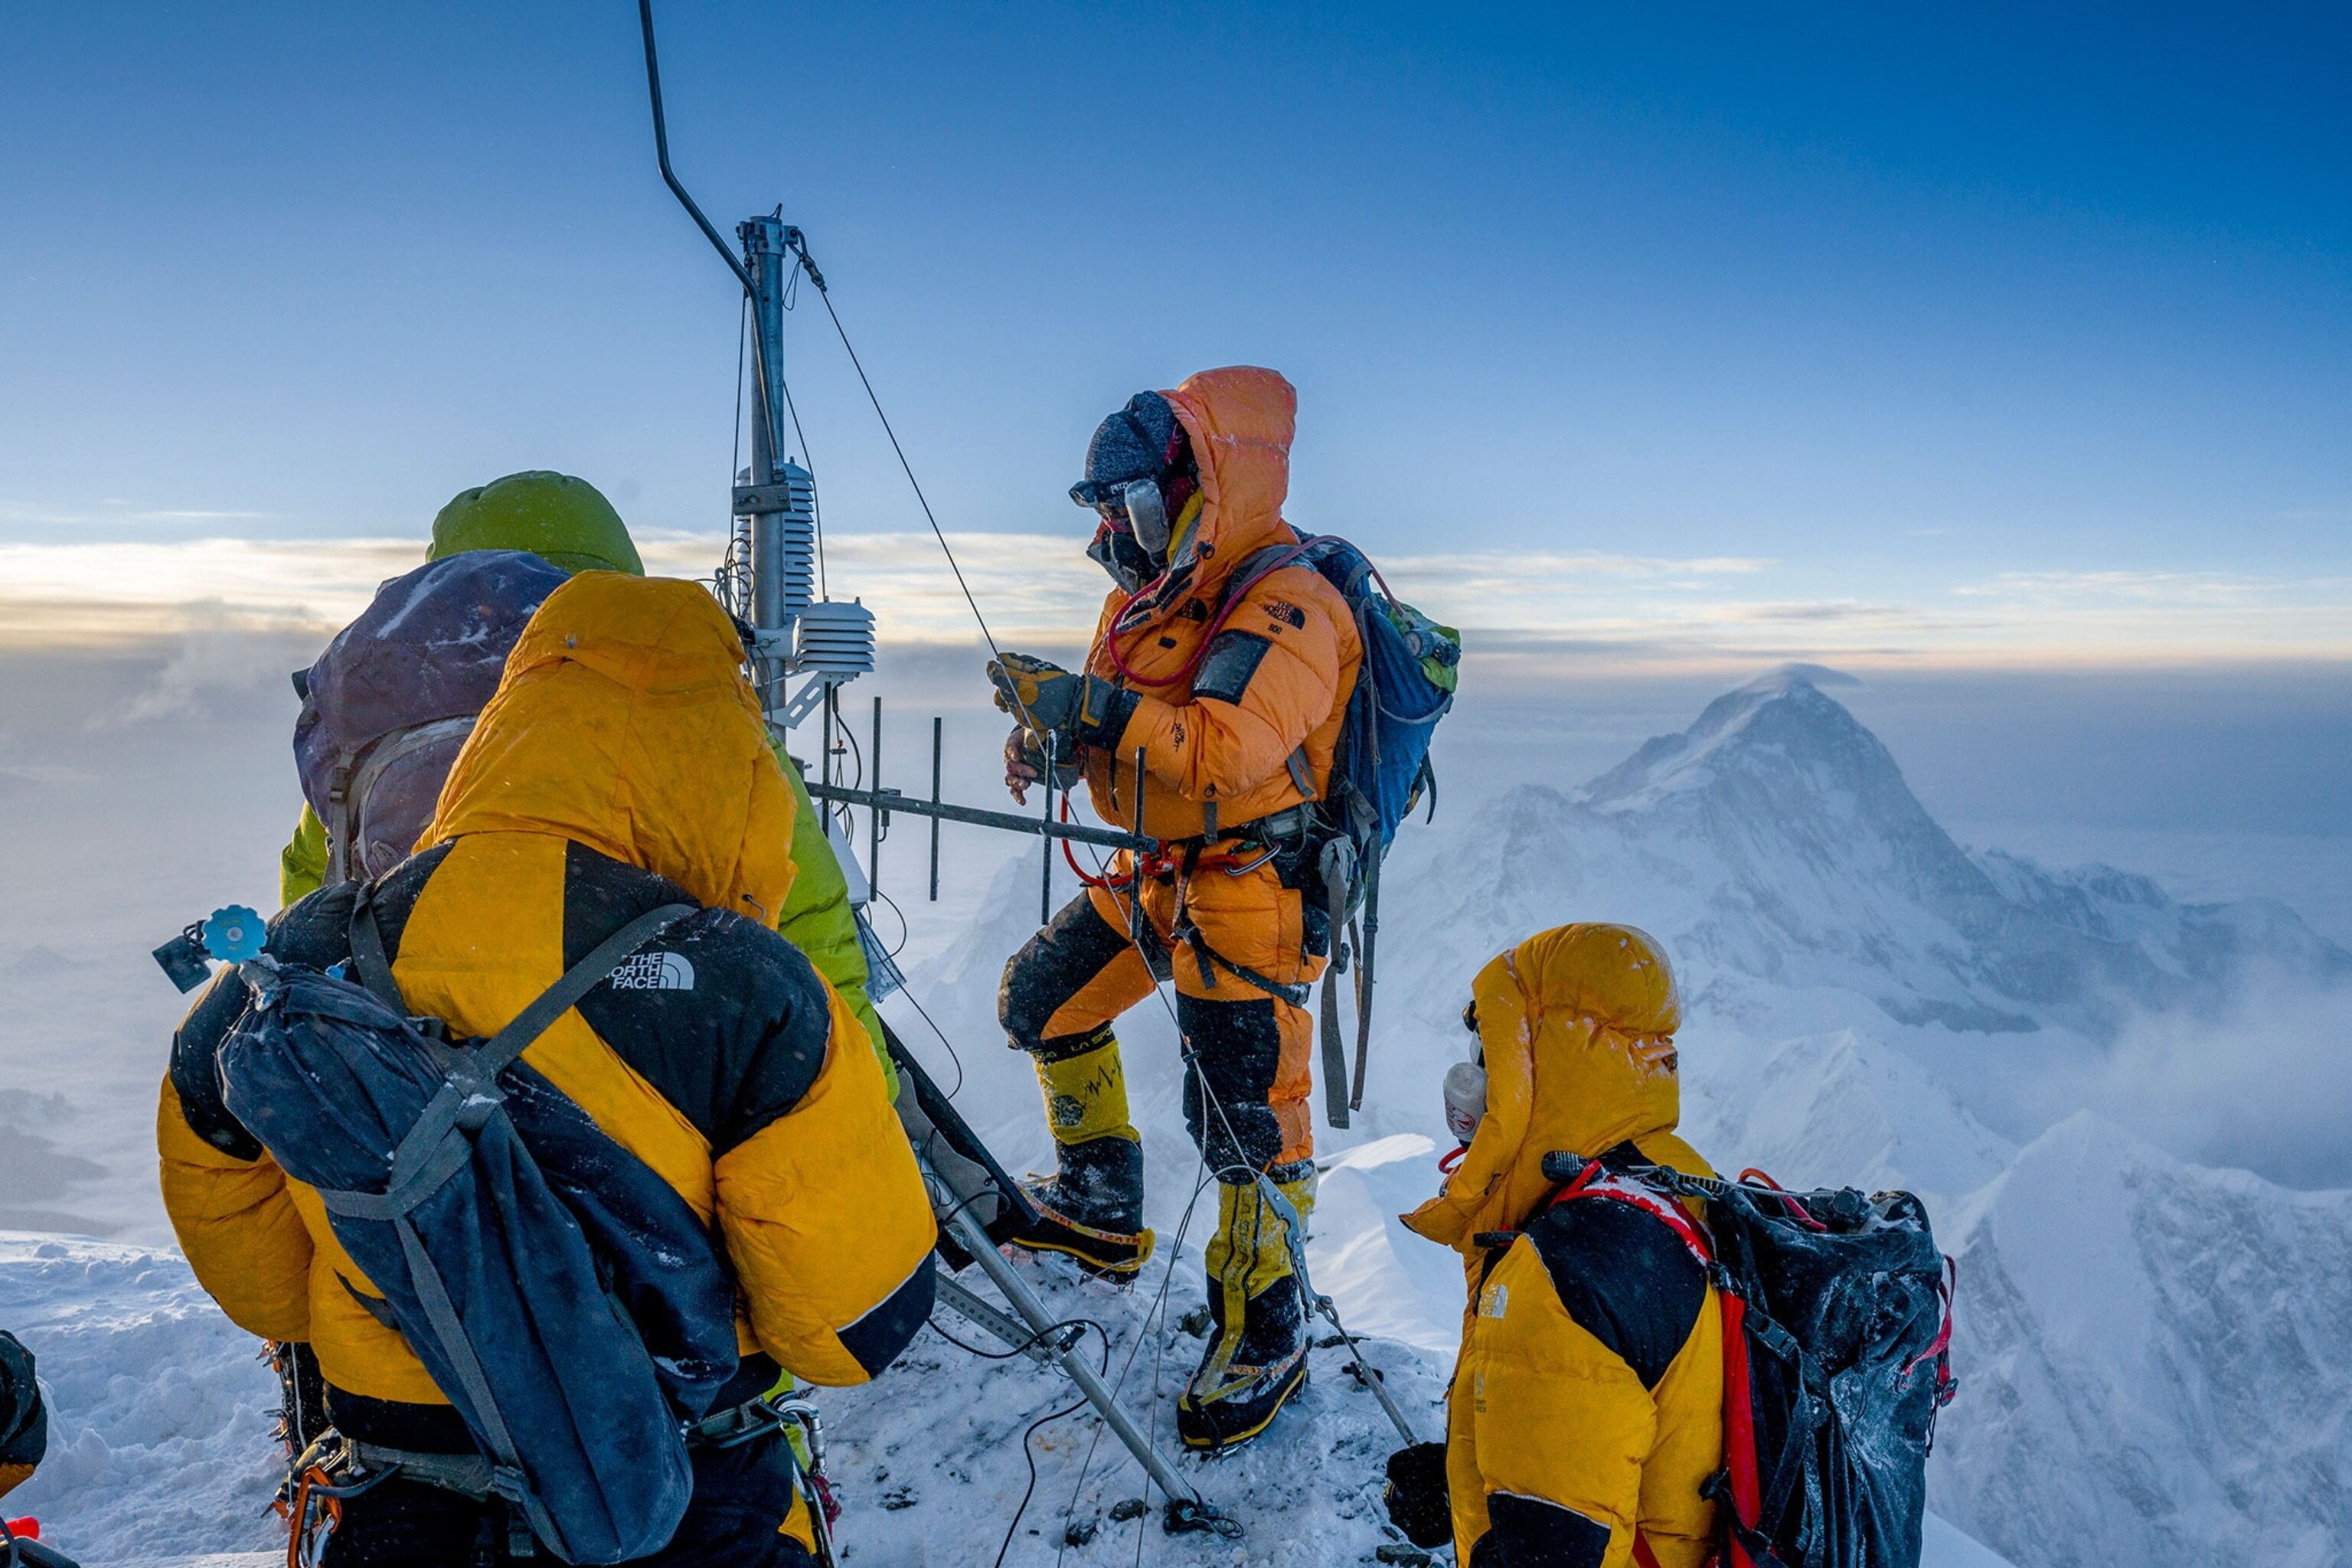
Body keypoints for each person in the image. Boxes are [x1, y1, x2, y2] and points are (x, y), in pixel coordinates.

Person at [161, 573, 936, 1566]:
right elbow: (851, 1327)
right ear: (725, 767)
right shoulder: (756, 996)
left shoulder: (304, 960)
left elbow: (260, 1286)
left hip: (403, 1513)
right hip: (684, 1505)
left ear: (502, 737)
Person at [987, 366, 1364, 1452]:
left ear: (1198, 488)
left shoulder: (1289, 605)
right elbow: (1132, 725)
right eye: (1107, 512)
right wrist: (1054, 736)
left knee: (1243, 1118)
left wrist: (1091, 705)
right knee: (1042, 999)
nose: (1117, 531)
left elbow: (1226, 747)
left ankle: (1268, 1326)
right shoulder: (1151, 598)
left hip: (1252, 889)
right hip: (1163, 872)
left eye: (1134, 508)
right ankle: (1103, 1207)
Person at [272, 468, 891, 1089]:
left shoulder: (364, 732)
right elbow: (809, 937)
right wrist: (872, 1100)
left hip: (413, 1093)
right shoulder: (698, 714)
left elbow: (311, 908)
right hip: (654, 1084)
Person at [1388, 924, 1723, 1568]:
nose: (1471, 1086)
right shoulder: (1676, 1184)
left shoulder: (1559, 1280)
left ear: (1531, 1070)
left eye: (1489, 1055)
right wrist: (1474, 1478)